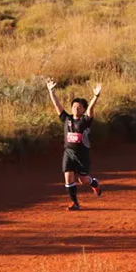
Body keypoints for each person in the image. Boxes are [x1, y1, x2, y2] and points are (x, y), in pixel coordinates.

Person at [46, 80, 103, 211]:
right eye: (74, 107)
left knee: (83, 180)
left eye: (79, 107)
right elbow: (57, 106)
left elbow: (91, 109)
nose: (75, 109)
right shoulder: (67, 119)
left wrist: (95, 96)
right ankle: (74, 203)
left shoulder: (85, 120)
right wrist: (51, 91)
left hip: (82, 155)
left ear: (83, 109)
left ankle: (94, 183)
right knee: (68, 177)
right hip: (68, 153)